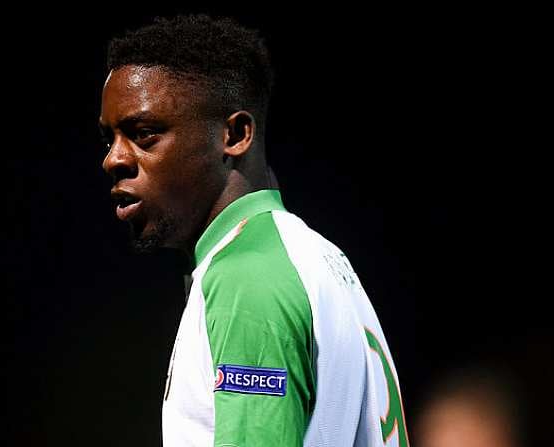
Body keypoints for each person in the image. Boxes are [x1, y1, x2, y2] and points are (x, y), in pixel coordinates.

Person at [99, 15, 408, 446]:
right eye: (109, 138)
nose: (113, 159)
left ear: (236, 134)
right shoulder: (317, 257)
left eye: (144, 133)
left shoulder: (247, 277)